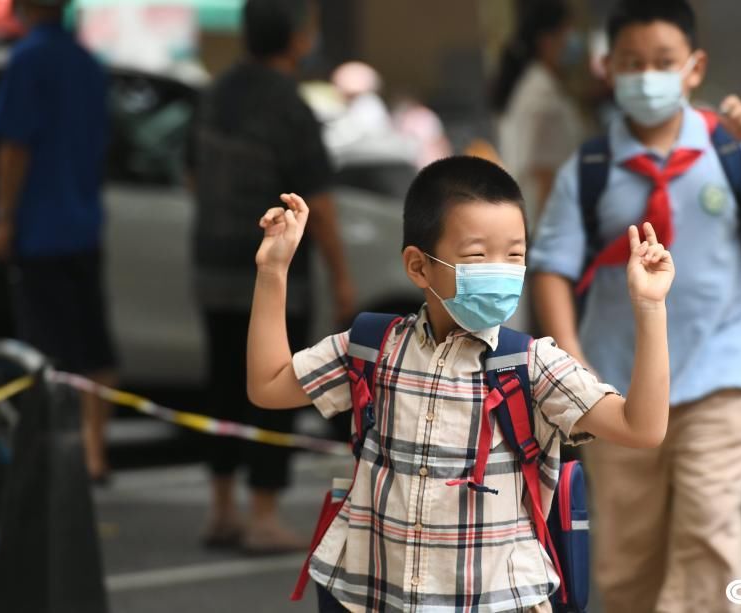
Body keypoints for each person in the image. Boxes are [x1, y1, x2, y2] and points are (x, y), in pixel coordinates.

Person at [247, 155, 677, 612]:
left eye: (515, 255)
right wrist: (273, 272)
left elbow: (642, 428)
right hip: (375, 598)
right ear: (418, 267)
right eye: (477, 255)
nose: (501, 269)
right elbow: (268, 385)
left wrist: (650, 310)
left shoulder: (532, 365)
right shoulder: (373, 347)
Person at [528, 1, 741, 611]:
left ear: (694, 67)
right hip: (619, 386)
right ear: (608, 69)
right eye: (632, 63)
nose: (648, 76)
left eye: (663, 62)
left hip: (723, 369)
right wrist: (574, 371)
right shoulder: (592, 167)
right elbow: (551, 268)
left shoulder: (731, 150)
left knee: (710, 531)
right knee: (629, 556)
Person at [190, 0, 355, 554]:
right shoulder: (290, 103)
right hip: (276, 271)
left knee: (220, 387)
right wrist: (341, 276)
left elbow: (192, 171)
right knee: (276, 384)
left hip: (212, 263)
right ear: (297, 38)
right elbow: (321, 202)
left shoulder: (215, 93)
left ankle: (219, 510)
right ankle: (262, 515)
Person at [0, 0, 115, 483]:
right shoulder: (88, 64)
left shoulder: (27, 59)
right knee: (93, 347)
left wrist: (2, 216)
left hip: (41, 228)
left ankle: (56, 458)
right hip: (84, 223)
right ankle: (95, 452)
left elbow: (14, 144)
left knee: (45, 353)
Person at [493, 0, 586, 226]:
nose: (573, 41)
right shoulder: (541, 97)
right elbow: (545, 176)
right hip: (547, 219)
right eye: (568, 32)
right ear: (547, 41)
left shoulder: (536, 85)